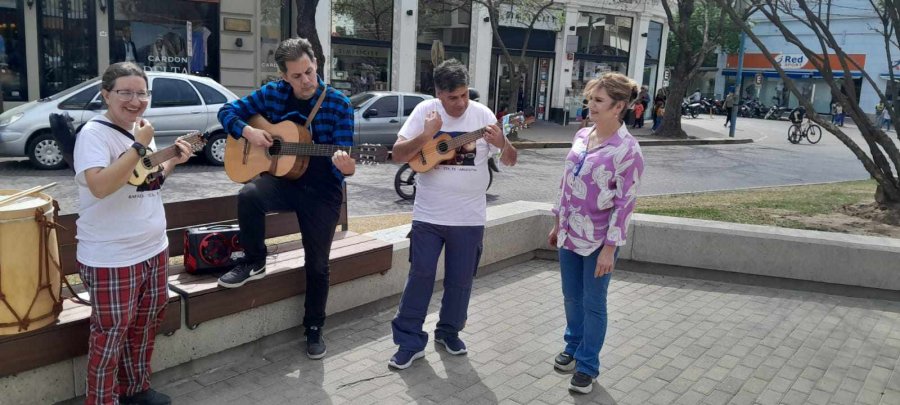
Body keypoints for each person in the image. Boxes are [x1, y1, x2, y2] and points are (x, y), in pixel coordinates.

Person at [215, 37, 356, 360]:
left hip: (322, 190)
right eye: (297, 76)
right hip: (284, 182)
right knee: (249, 194)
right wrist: (247, 132)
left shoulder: (338, 104)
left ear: (316, 64)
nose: (306, 81)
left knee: (318, 264)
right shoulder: (272, 94)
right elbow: (227, 111)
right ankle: (254, 261)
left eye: (309, 71)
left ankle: (314, 327)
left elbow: (343, 156)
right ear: (283, 76)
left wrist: (345, 168)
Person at [74, 62, 192, 405]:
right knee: (110, 336)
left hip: (153, 249)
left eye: (141, 93)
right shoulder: (95, 134)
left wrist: (172, 160)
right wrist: (139, 147)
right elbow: (100, 186)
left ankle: (135, 389)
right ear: (106, 94)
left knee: (145, 325)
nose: (135, 100)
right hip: (112, 256)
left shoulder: (140, 130)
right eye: (125, 92)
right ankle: (102, 400)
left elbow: (147, 180)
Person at [387, 59, 518, 370]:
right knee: (420, 278)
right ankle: (409, 342)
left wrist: (503, 142)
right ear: (438, 94)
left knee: (461, 281)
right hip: (428, 216)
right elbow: (398, 156)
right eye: (452, 98)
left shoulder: (483, 114)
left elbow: (511, 159)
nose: (460, 104)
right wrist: (427, 134)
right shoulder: (425, 113)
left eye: (464, 96)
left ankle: (449, 332)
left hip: (469, 218)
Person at [548, 73, 644, 394]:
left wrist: (609, 248)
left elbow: (624, 204)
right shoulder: (582, 136)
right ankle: (573, 345)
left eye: (598, 101)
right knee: (571, 296)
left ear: (619, 106)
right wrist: (558, 221)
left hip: (599, 241)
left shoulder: (628, 150)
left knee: (593, 302)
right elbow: (566, 183)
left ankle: (588, 365)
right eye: (590, 99)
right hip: (569, 234)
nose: (591, 105)